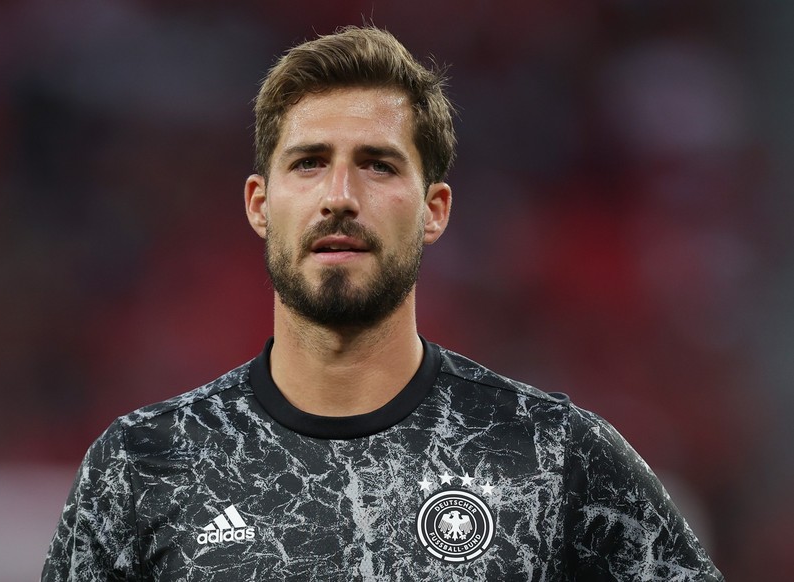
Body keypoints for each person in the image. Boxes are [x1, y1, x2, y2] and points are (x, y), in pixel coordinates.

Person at [42, 26, 723, 580]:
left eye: (378, 164)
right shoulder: (144, 464)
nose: (340, 195)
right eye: (309, 162)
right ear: (259, 204)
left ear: (434, 211)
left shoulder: (555, 457)